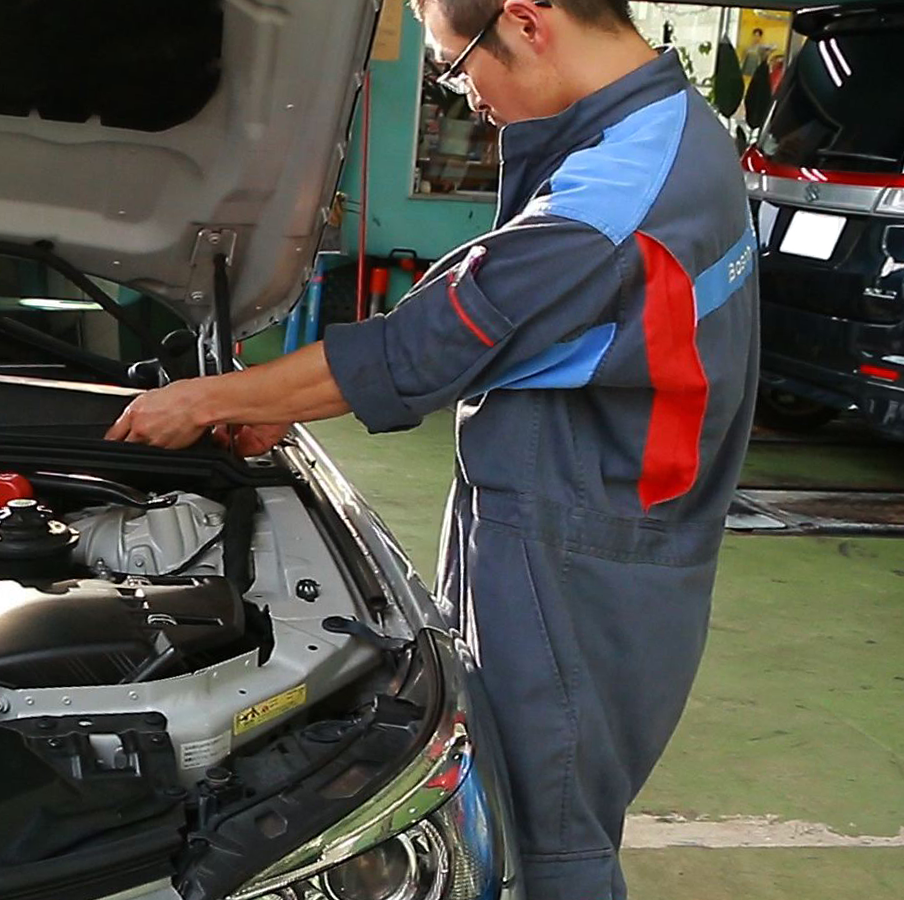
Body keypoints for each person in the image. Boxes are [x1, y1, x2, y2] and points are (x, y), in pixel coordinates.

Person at [106, 2, 758, 898]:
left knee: (549, 841)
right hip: (602, 525)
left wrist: (208, 399)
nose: (470, 99)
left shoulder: (615, 202)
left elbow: (426, 348)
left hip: (578, 560)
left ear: (527, 22)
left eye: (455, 69)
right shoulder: (672, 129)